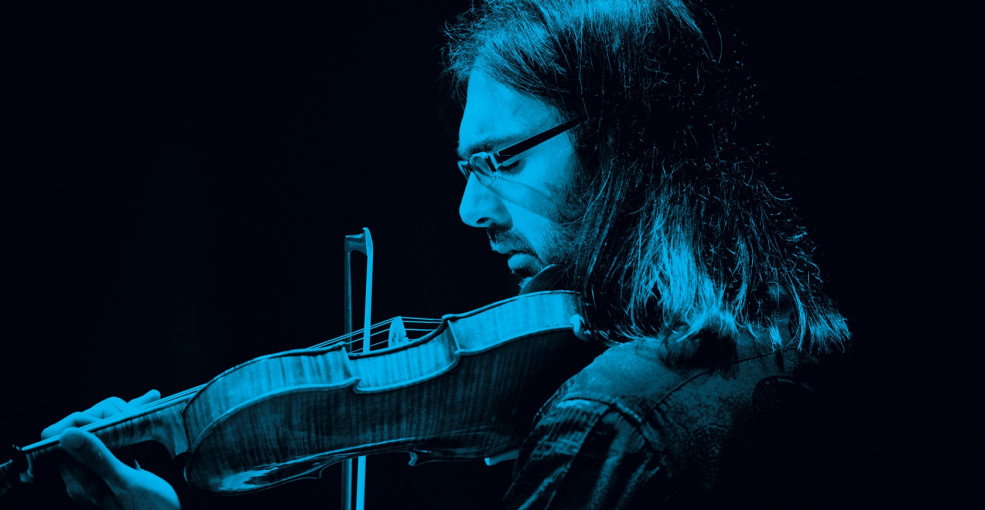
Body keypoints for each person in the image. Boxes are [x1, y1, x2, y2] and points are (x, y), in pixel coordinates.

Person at [32, 0, 853, 508]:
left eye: (503, 161)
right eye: (466, 169)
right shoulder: (786, 347)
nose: (470, 210)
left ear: (623, 142)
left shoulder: (607, 421)